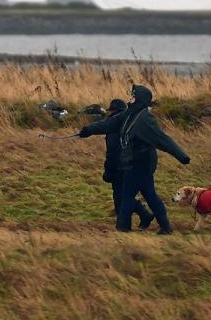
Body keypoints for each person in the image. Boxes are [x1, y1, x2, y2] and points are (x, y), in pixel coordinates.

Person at [79, 85, 190, 234]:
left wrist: (182, 156)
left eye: (133, 96)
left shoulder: (145, 119)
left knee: (127, 196)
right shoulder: (128, 114)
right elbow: (108, 124)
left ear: (139, 99)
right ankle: (165, 227)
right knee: (150, 196)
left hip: (140, 165)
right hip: (133, 165)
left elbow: (163, 139)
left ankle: (123, 228)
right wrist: (88, 130)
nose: (130, 98)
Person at [99, 98, 154, 229]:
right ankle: (141, 216)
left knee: (120, 199)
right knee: (125, 195)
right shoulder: (131, 123)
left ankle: (126, 225)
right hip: (132, 165)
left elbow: (112, 153)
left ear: (113, 111)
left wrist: (108, 171)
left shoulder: (113, 127)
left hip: (120, 167)